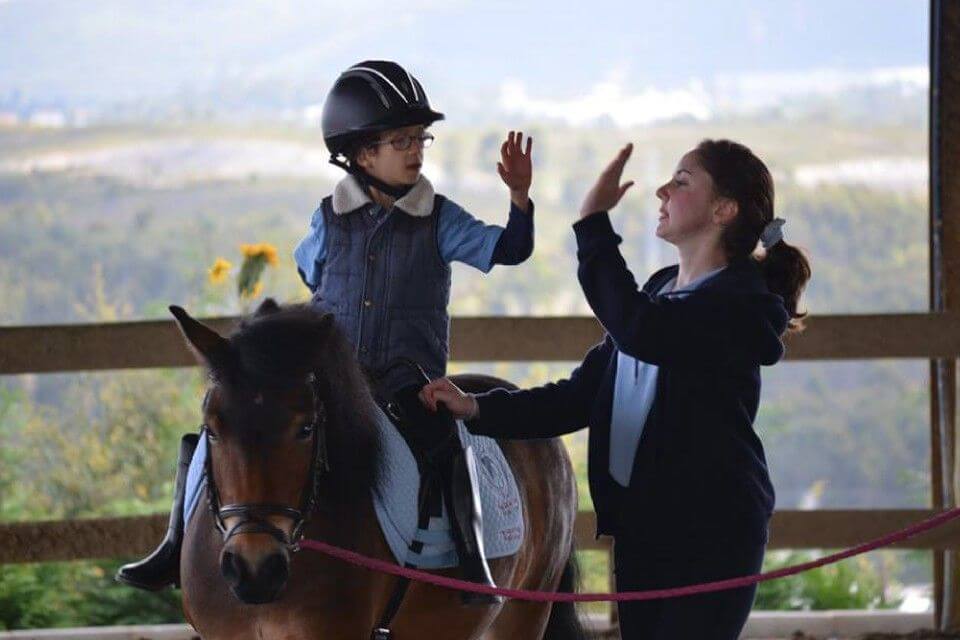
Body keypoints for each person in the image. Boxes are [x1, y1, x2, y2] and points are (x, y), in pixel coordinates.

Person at [117, 61, 535, 604]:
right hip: (332, 376)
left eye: (420, 138)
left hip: (406, 379)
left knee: (446, 443)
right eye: (402, 140)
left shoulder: (441, 218)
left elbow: (510, 249)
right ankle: (174, 545)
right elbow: (311, 271)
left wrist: (519, 198)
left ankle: (474, 564)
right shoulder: (328, 218)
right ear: (361, 154)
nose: (416, 150)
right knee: (223, 427)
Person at [421, 139, 812, 637]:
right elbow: (578, 398)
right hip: (643, 531)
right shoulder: (660, 292)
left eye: (682, 182)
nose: (663, 191)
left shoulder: (737, 308)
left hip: (712, 532)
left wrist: (593, 223)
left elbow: (639, 327)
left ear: (723, 210)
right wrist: (475, 408)